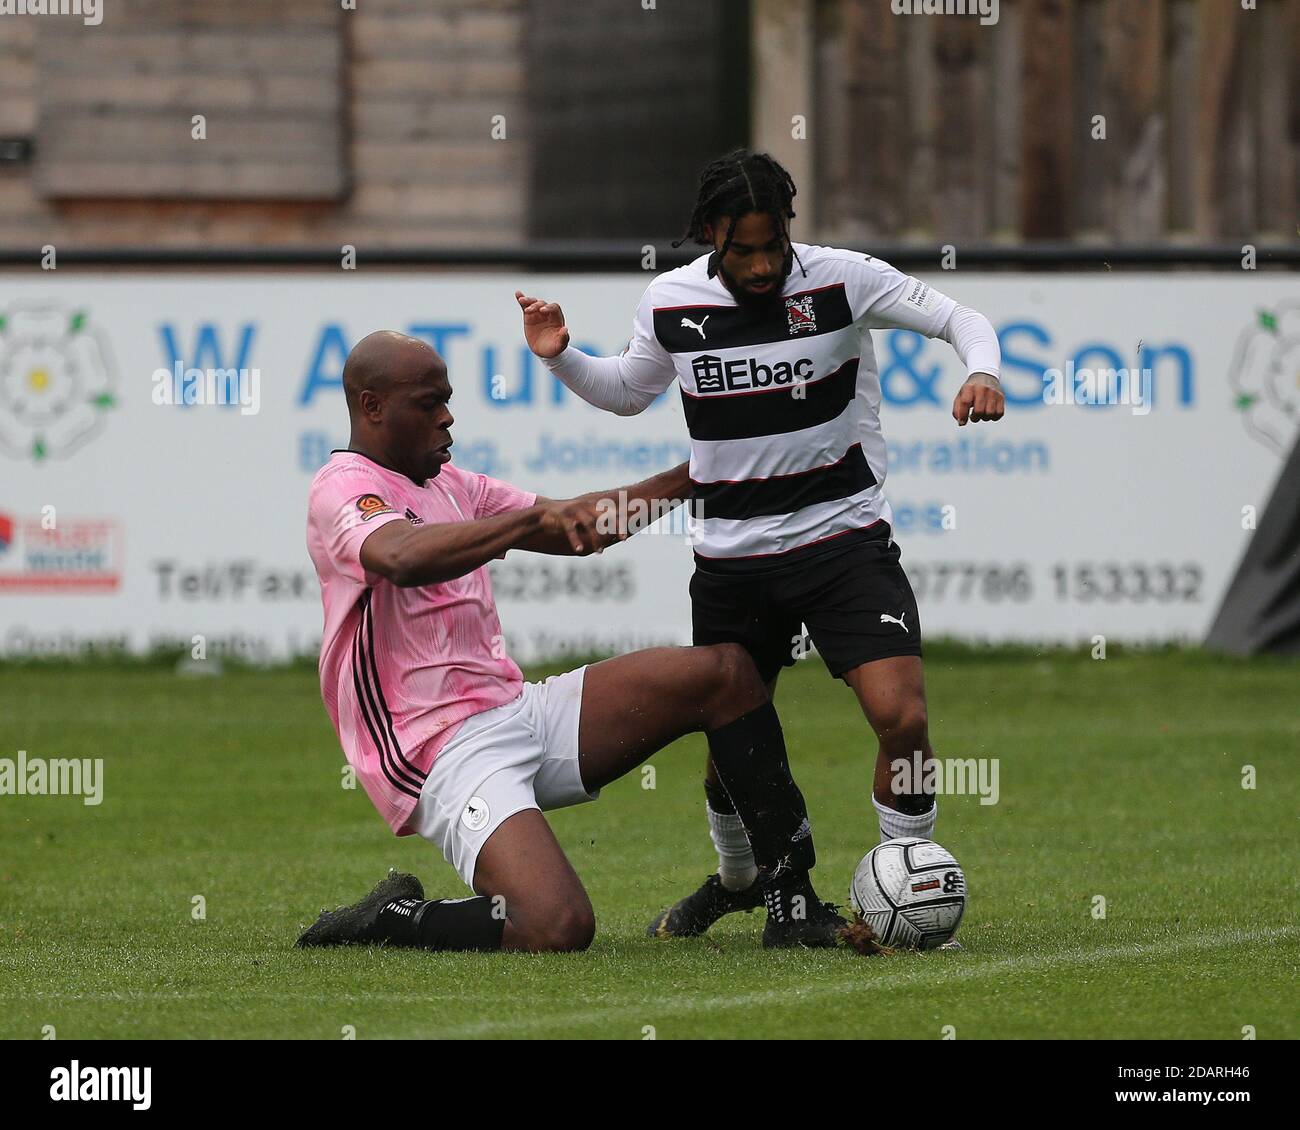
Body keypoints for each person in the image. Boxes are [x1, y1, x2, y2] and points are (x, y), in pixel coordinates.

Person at [515, 148, 1005, 940]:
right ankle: (741, 878)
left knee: (903, 718)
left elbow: (960, 319)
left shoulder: (844, 278)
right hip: (734, 561)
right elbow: (628, 394)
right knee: (729, 751)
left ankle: (903, 873)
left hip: (843, 541)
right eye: (744, 249)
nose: (763, 263)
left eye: (774, 243)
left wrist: (982, 371)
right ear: (711, 234)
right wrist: (562, 356)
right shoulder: (671, 301)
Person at [296, 329, 878, 954]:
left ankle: (790, 903)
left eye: (448, 399)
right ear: (371, 405)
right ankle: (394, 916)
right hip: (438, 750)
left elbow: (584, 528)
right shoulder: (343, 486)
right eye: (428, 402)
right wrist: (523, 521)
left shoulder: (452, 484)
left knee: (725, 673)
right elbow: (400, 556)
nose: (447, 417)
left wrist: (703, 473)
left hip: (516, 711)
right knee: (555, 926)